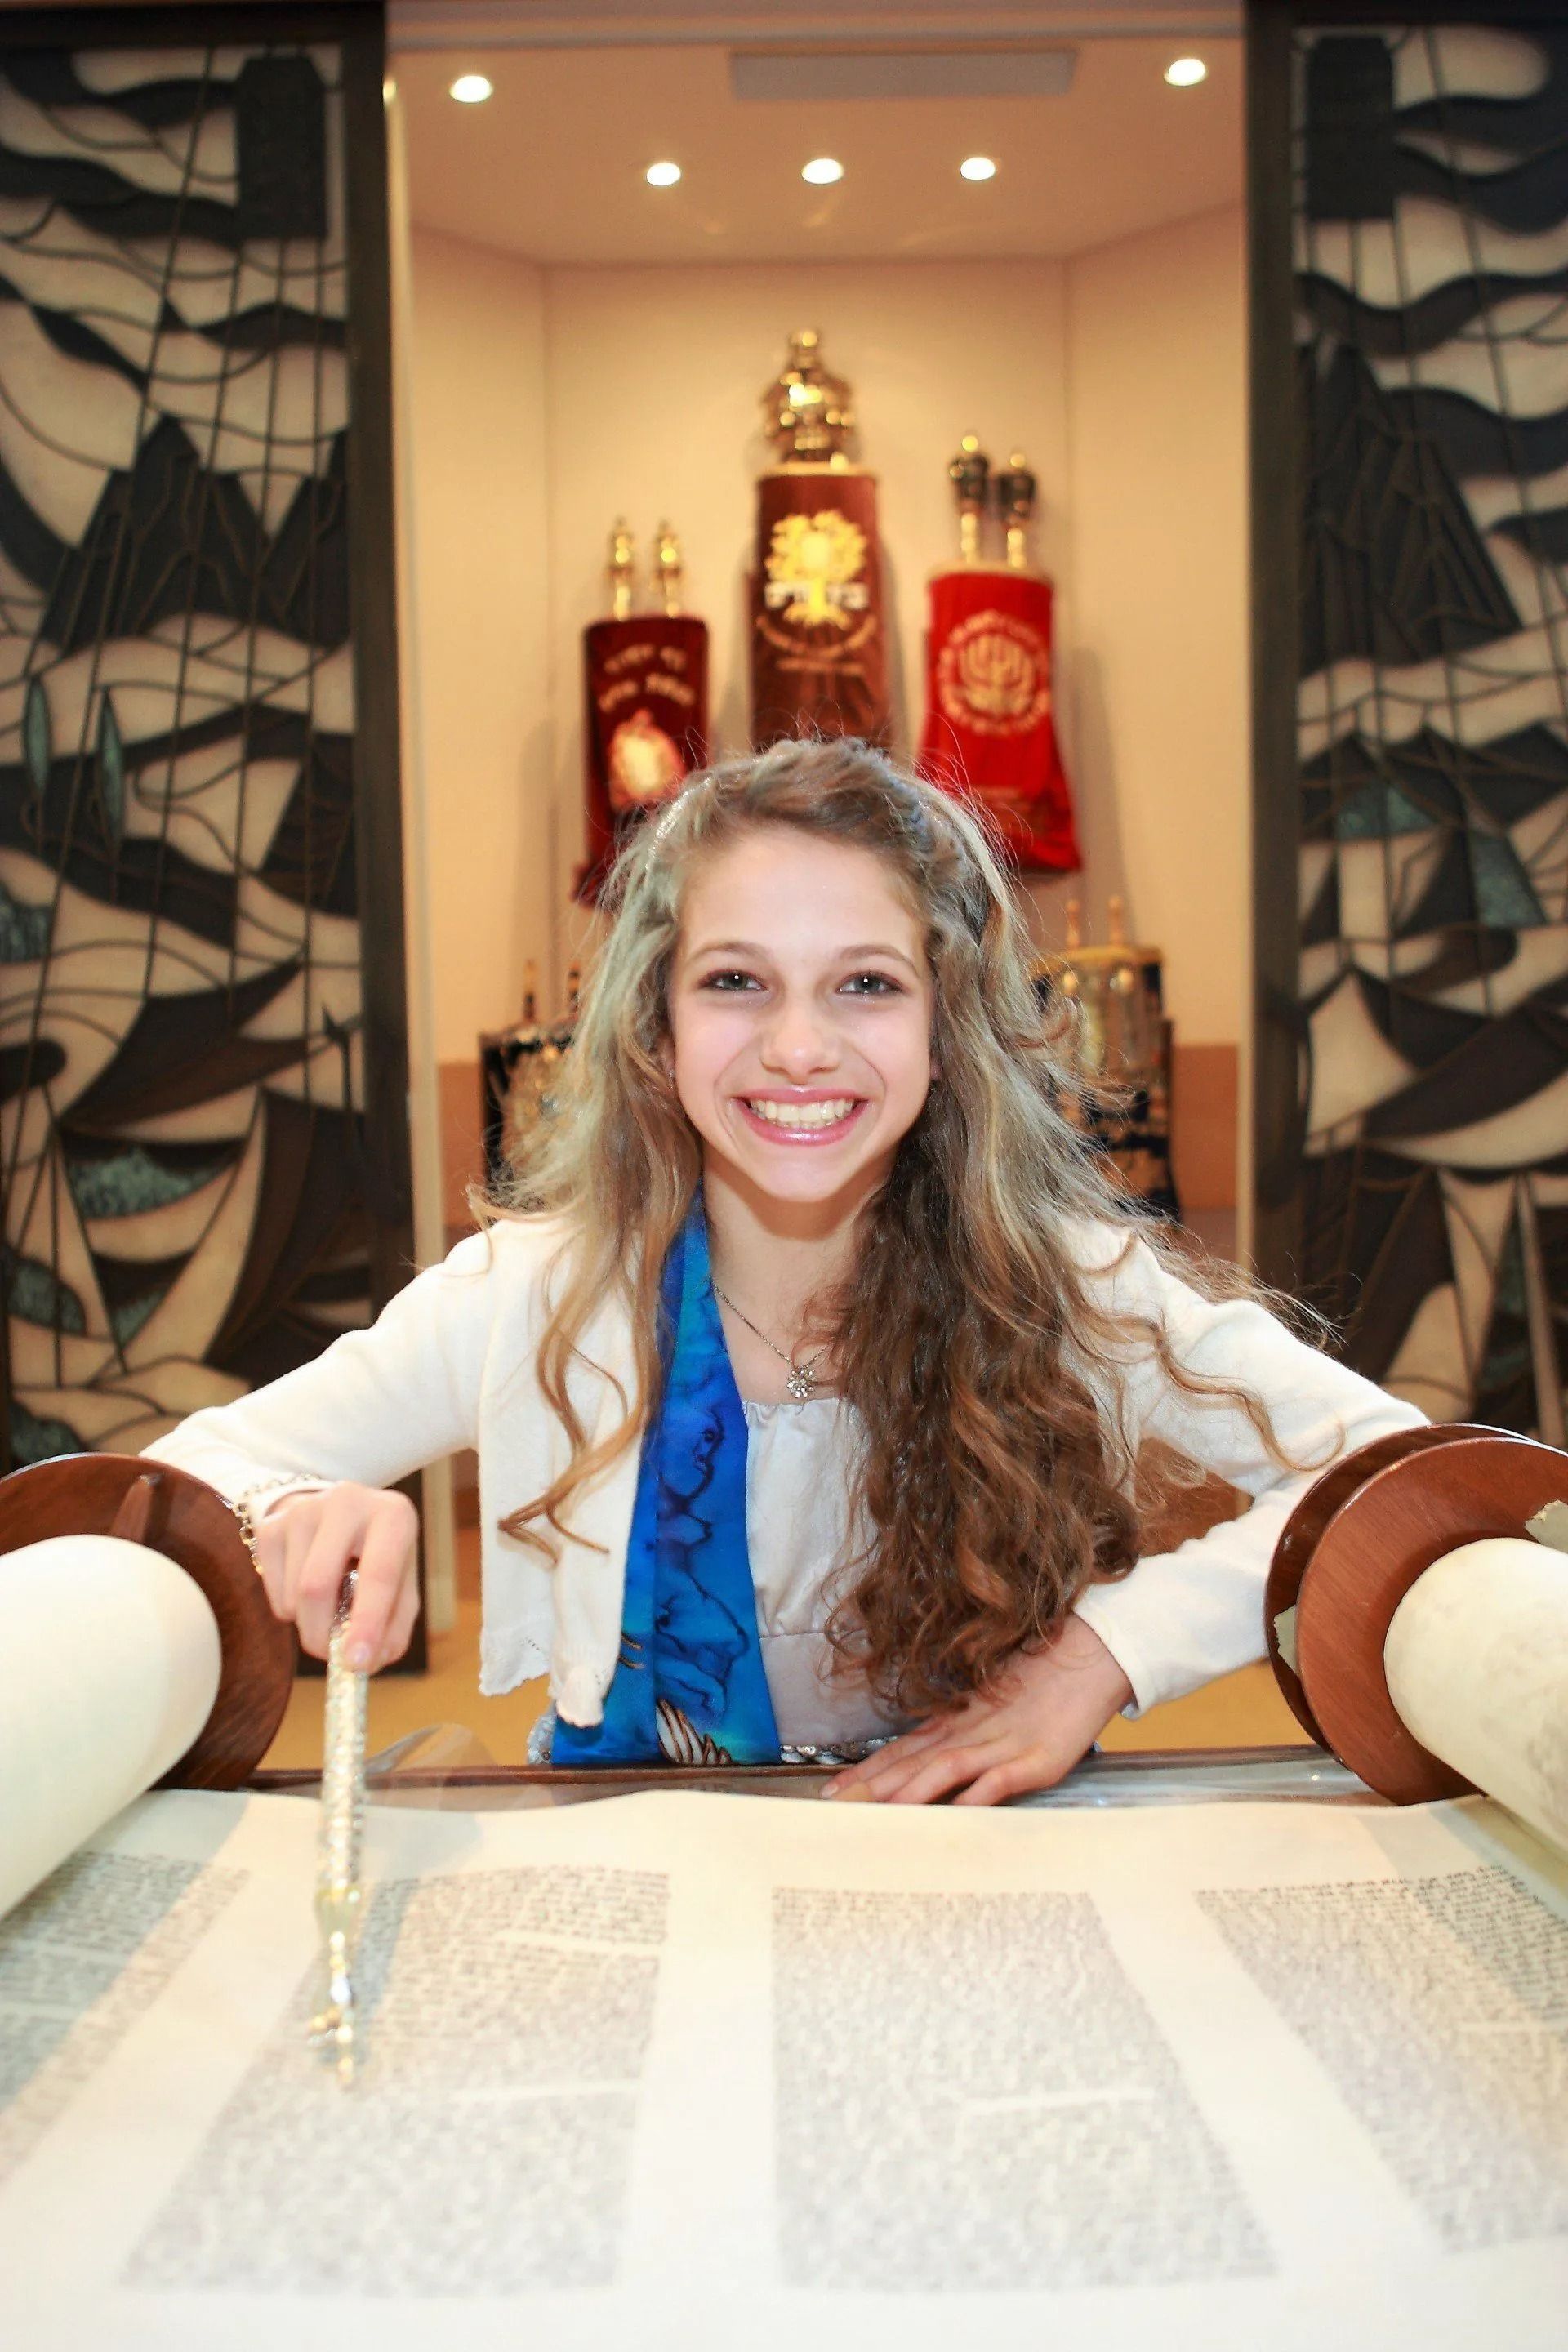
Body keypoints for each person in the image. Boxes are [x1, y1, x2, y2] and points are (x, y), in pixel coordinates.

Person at [144, 739, 1423, 1802]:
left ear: (944, 1024)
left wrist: (1105, 1651)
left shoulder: (1060, 1283)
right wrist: (290, 1515)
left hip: (967, 1867)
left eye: (865, 984)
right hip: (642, 1872)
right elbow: (179, 1477)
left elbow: (1390, 1471)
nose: (798, 1047)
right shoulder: (535, 1296)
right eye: (736, 981)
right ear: (658, 1024)